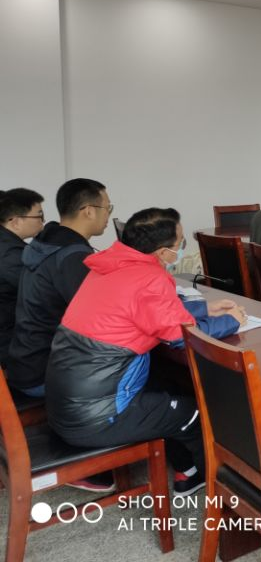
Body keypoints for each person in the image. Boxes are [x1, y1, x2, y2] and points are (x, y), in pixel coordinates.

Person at [44, 208, 243, 497]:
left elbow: (145, 309)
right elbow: (180, 337)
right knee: (195, 412)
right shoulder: (150, 278)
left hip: (66, 405)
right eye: (180, 243)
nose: (181, 247)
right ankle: (213, 484)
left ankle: (186, 469)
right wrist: (232, 321)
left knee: (169, 388)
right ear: (163, 252)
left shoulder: (108, 267)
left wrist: (205, 308)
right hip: (97, 417)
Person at [6, 178, 111, 396]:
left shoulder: (47, 242)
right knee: (142, 362)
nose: (108, 215)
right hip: (44, 373)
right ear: (89, 211)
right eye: (107, 208)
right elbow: (100, 320)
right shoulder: (72, 256)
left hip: (25, 362)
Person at [0, 188, 45, 366]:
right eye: (39, 216)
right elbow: (39, 291)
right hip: (7, 343)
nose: (43, 221)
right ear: (16, 221)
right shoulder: (9, 254)